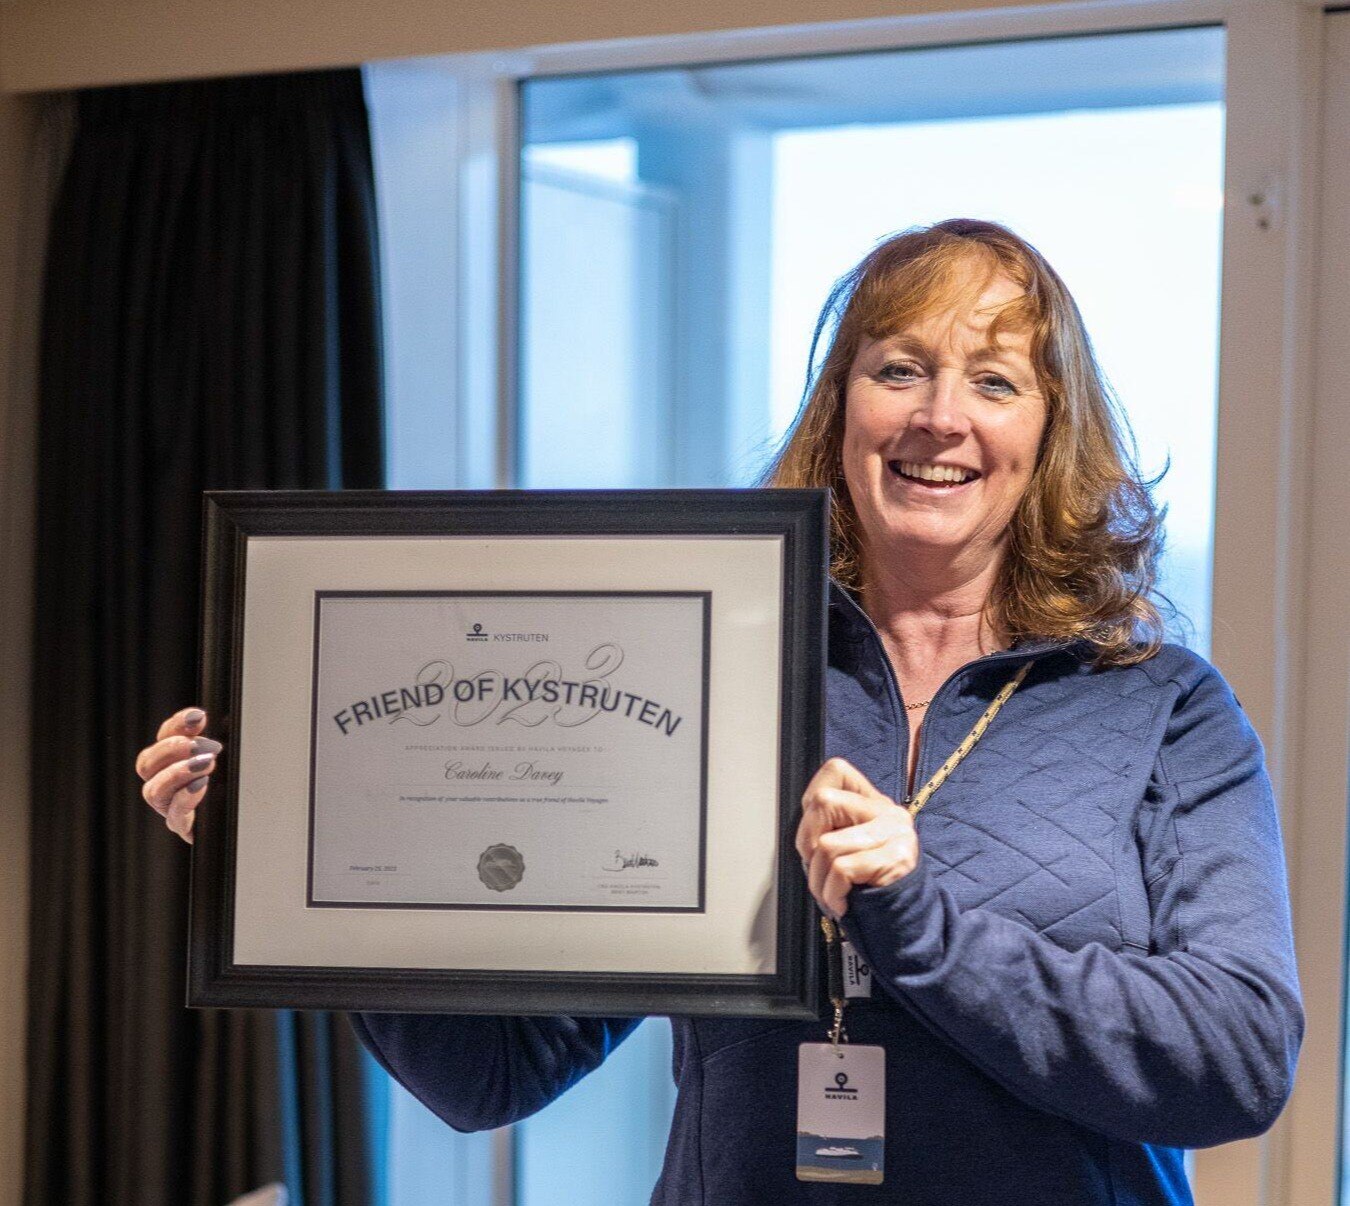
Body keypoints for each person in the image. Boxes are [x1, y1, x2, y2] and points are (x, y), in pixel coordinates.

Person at [135, 218, 1303, 1204]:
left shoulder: (1159, 708)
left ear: (1048, 433)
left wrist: (927, 927)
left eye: (994, 382)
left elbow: (1239, 1061)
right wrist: (290, 860)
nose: (940, 416)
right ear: (841, 407)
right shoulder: (709, 678)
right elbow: (494, 1074)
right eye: (898, 368)